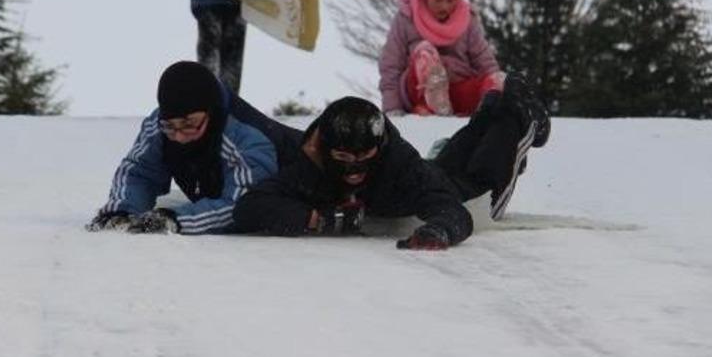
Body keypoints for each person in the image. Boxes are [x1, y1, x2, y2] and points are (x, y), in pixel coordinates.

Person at [233, 78, 550, 249]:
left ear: (380, 147)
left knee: (485, 180)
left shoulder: (399, 165)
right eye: (343, 158)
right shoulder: (312, 163)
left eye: (364, 157)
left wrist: (439, 231)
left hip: (467, 196)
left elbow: (456, 212)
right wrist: (315, 218)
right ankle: (491, 109)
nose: (354, 169)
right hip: (435, 170)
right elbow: (251, 207)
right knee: (450, 162)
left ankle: (520, 117)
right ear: (326, 148)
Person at [86, 61, 302, 235]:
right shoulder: (160, 125)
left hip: (314, 187)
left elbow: (243, 206)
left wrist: (177, 220)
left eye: (189, 125)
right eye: (171, 126)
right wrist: (123, 210)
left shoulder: (246, 138)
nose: (179, 136)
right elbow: (139, 172)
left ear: (211, 111)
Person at [379, 0, 503, 117]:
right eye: (438, 0)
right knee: (425, 52)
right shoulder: (406, 18)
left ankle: (499, 106)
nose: (444, 7)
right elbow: (391, 64)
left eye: (450, 0)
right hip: (417, 91)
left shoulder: (468, 20)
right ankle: (432, 102)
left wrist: (495, 82)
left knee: (494, 82)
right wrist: (392, 108)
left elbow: (484, 60)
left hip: (457, 88)